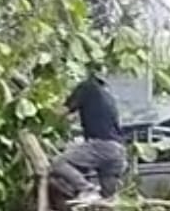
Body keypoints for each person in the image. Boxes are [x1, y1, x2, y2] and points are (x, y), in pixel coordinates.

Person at [50, 71, 127, 200]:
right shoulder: (108, 96)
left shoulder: (87, 87)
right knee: (108, 200)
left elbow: (61, 112)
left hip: (100, 145)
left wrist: (41, 115)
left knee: (59, 163)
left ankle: (87, 188)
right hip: (118, 151)